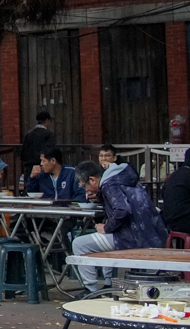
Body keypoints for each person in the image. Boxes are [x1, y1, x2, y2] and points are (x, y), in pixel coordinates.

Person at [72, 159, 168, 293]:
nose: (86, 190)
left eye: (84, 186)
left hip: (133, 238)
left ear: (93, 180)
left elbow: (122, 210)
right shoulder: (122, 177)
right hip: (153, 235)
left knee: (79, 244)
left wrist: (106, 228)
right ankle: (107, 283)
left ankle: (90, 290)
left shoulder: (108, 185)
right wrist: (101, 197)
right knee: (101, 242)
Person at [21, 110, 55, 176]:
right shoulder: (48, 134)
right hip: (43, 168)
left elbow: (23, 153)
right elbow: (51, 151)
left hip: (29, 168)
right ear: (47, 120)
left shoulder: (29, 134)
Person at [162, 157, 190, 235]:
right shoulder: (188, 175)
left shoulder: (174, 175)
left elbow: (163, 193)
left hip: (169, 221)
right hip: (184, 221)